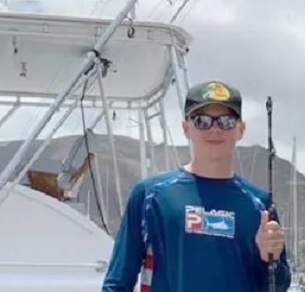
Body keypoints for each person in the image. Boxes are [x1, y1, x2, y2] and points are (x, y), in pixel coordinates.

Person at [101, 80, 292, 291]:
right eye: (202, 121)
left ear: (241, 129)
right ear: (186, 128)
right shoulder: (149, 195)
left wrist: (268, 258)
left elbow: (278, 286)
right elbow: (117, 283)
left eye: (226, 121)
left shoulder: (261, 205)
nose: (215, 129)